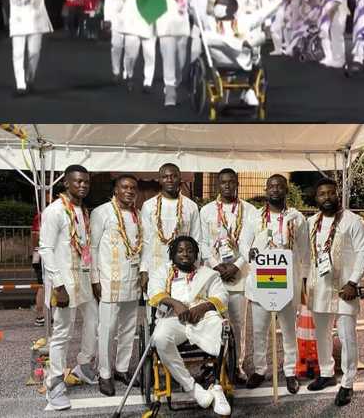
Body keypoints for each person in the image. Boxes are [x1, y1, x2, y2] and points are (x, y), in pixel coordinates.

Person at [147, 236, 232, 416]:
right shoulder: (163, 271)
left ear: (196, 254)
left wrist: (204, 306)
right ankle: (192, 388)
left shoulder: (208, 273)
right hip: (173, 319)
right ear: (172, 254)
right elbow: (154, 292)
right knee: (159, 338)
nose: (185, 254)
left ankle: (216, 386)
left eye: (190, 250)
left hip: (202, 318)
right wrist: (175, 304)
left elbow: (222, 295)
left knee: (222, 328)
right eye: (180, 251)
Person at [239, 174, 308, 392]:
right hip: (261, 284)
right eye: (271, 186)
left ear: (286, 190)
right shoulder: (255, 217)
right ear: (266, 190)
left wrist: (304, 281)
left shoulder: (297, 219)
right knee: (259, 331)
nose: (275, 189)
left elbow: (305, 252)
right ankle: (260, 370)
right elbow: (243, 242)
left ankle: (290, 371)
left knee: (289, 330)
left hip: (287, 285)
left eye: (280, 186)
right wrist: (247, 252)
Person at [305, 178, 364, 406]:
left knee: (346, 336)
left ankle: (348, 383)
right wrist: (306, 284)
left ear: (337, 194)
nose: (327, 198)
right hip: (319, 288)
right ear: (316, 198)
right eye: (322, 194)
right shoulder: (311, 222)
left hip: (345, 289)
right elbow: (307, 255)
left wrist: (354, 282)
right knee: (321, 334)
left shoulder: (354, 221)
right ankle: (326, 374)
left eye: (331, 193)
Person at [39, 164, 98, 411]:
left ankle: (83, 366)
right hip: (64, 283)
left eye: (85, 181)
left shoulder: (83, 211)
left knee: (94, 322)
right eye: (77, 181)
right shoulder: (54, 211)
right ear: (66, 183)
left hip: (83, 279)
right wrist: (58, 286)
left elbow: (86, 249)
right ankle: (54, 383)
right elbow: (45, 248)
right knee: (63, 333)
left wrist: (94, 280)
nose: (82, 185)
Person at [195, 168, 258, 384]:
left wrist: (237, 266)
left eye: (231, 182)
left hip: (240, 276)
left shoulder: (250, 211)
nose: (227, 186)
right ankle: (213, 363)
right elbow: (202, 243)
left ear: (237, 183)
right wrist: (217, 266)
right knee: (213, 322)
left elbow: (251, 246)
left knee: (238, 324)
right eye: (223, 182)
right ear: (217, 185)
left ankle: (237, 366)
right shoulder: (207, 211)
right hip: (214, 277)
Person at [90, 174, 143, 396]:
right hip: (109, 280)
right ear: (115, 190)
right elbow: (92, 248)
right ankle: (105, 374)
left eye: (133, 188)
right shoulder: (101, 212)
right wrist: (94, 278)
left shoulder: (138, 215)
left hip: (132, 279)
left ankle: (122, 368)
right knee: (107, 329)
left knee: (129, 328)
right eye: (124, 187)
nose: (129, 191)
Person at [203, 0, 283, 106]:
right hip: (227, 63)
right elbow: (264, 13)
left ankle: (249, 91)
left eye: (222, 4)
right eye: (218, 3)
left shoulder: (242, 21)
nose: (218, 6)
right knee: (207, 36)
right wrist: (241, 43)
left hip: (236, 63)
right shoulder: (210, 22)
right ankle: (249, 89)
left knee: (257, 43)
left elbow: (264, 13)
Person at [138, 163, 200, 296]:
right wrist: (144, 270)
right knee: (154, 310)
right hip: (155, 267)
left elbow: (196, 240)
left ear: (180, 178)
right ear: (159, 180)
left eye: (174, 176)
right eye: (165, 177)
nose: (170, 180)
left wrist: (196, 270)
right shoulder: (148, 206)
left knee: (182, 306)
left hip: (183, 268)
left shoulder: (191, 206)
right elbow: (145, 241)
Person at [159, 0, 201, 106]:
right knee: (168, 54)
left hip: (182, 20)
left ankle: (176, 78)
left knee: (181, 58)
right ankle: (170, 90)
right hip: (164, 21)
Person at [106, 0, 155, 91]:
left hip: (148, 23)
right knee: (131, 55)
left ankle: (148, 82)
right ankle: (130, 74)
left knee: (150, 54)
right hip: (132, 25)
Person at [319, 0, 350, 69]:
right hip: (336, 13)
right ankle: (336, 58)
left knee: (337, 36)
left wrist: (330, 12)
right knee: (334, 35)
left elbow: (338, 1)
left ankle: (340, 60)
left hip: (339, 13)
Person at [31, 209, 46, 326]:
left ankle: (44, 315)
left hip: (42, 254)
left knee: (47, 285)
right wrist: (37, 250)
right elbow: (35, 235)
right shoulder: (42, 216)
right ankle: (40, 315)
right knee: (43, 286)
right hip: (42, 255)